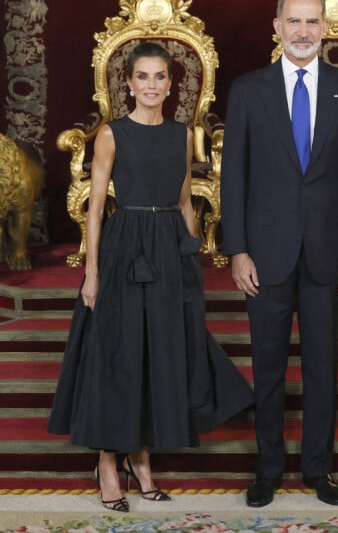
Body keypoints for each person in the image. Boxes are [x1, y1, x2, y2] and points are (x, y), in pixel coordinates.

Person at [48, 41, 254, 512]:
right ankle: (106, 460)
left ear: (171, 83)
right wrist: (92, 273)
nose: (152, 86)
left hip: (168, 247)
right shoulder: (111, 134)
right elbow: (96, 208)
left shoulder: (182, 134)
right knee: (117, 352)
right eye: (142, 77)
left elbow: (184, 201)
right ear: (128, 83)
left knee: (157, 351)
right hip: (124, 246)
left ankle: (140, 459)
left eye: (160, 77)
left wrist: (192, 257)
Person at [221, 0, 338, 508]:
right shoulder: (247, 89)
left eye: (312, 22)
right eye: (294, 21)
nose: (303, 32)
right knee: (267, 366)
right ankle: (267, 469)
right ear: (278, 25)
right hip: (263, 254)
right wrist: (236, 248)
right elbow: (232, 177)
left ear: (325, 29)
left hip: (330, 254)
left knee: (321, 367)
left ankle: (318, 469)